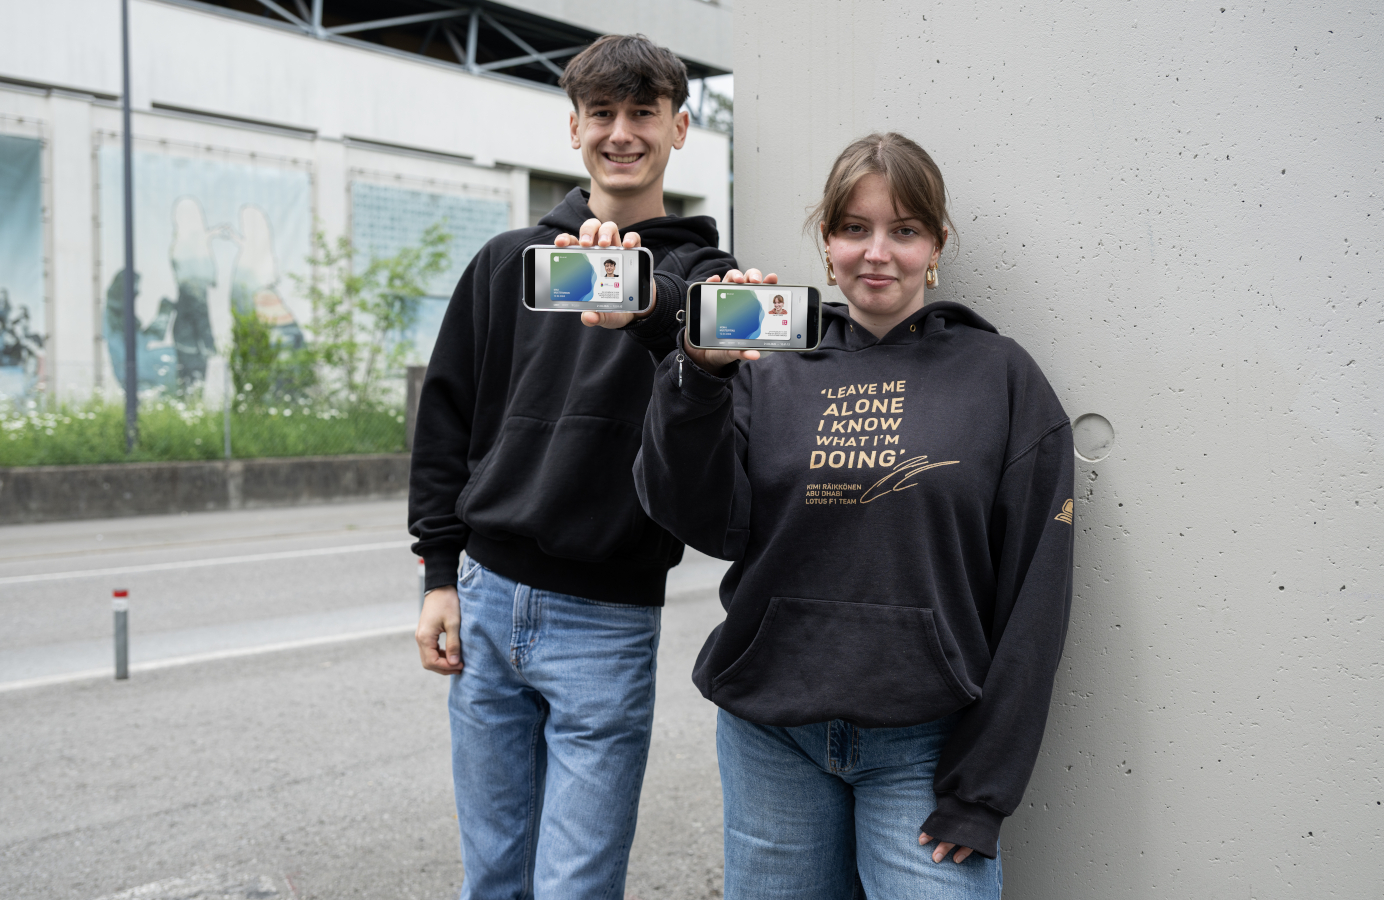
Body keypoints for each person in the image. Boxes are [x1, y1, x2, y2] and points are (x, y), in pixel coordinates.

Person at [634, 132, 1075, 899]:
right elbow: (697, 517)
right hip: (771, 733)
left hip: (926, 746)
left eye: (904, 230)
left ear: (936, 245)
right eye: (854, 228)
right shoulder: (766, 366)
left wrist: (982, 789)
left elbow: (1037, 594)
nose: (877, 253)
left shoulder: (1001, 377)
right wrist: (698, 380)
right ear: (827, 241)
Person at [409, 34, 759, 900]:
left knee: (576, 885)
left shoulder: (708, 279)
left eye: (644, 112)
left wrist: (645, 298)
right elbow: (446, 422)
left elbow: (708, 326)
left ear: (680, 128)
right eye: (602, 112)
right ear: (574, 130)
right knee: (492, 877)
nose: (622, 131)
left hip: (607, 619)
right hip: (488, 598)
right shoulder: (507, 262)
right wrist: (438, 574)